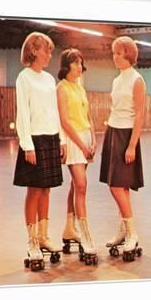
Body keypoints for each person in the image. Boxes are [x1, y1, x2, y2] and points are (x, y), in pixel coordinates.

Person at [13, 32, 66, 272]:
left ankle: (44, 236)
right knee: (33, 190)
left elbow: (54, 111)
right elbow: (22, 113)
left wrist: (62, 140)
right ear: (34, 51)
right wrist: (27, 144)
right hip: (33, 138)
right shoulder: (24, 78)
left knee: (46, 189)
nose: (49, 55)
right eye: (47, 50)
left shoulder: (48, 80)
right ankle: (32, 241)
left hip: (51, 137)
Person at [99, 36, 146, 262]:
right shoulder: (117, 80)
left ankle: (133, 233)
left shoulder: (137, 80)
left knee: (117, 186)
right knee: (120, 187)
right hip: (113, 131)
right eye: (113, 53)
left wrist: (132, 145)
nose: (115, 57)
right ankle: (124, 231)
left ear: (129, 54)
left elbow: (139, 114)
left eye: (118, 53)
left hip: (127, 134)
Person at [56, 48, 98, 265]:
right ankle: (85, 234)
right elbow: (64, 120)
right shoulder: (61, 88)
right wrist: (81, 144)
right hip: (73, 140)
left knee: (75, 186)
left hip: (85, 138)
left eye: (81, 62)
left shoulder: (80, 88)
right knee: (81, 185)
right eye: (75, 63)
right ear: (66, 66)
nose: (80, 66)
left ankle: (69, 229)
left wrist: (93, 137)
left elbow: (88, 116)